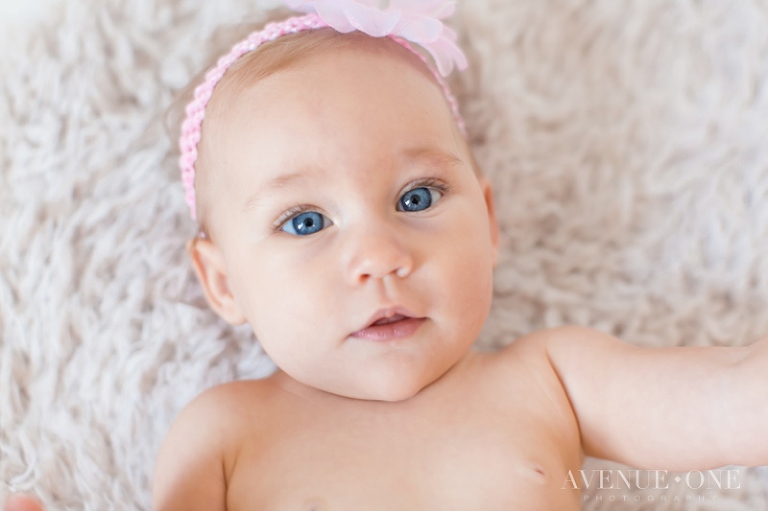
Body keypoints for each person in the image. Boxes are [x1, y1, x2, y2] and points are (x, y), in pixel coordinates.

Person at [6, 0, 767, 509]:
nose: (378, 255)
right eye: (305, 221)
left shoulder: (552, 379)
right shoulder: (228, 430)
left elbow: (733, 402)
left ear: (489, 220)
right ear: (224, 280)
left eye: (416, 197)